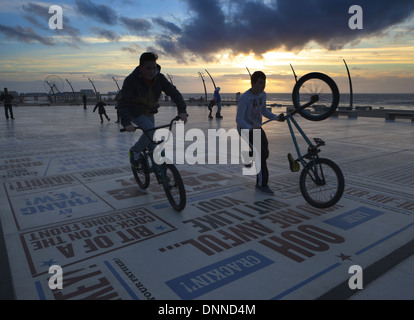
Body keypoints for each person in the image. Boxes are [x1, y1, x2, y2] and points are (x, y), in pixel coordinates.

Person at [117, 52, 187, 169]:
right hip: (135, 111)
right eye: (148, 68)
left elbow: (174, 93)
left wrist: (182, 111)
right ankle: (135, 151)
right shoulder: (131, 80)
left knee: (152, 144)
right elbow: (123, 102)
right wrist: (127, 123)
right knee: (151, 132)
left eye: (154, 68)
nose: (151, 71)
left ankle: (160, 174)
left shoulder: (159, 78)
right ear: (140, 68)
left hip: (150, 111)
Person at [236, 71, 283, 195]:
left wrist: (276, 117)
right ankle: (261, 184)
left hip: (258, 127)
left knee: (265, 150)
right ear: (253, 83)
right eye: (261, 83)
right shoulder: (245, 98)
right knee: (261, 155)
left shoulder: (263, 95)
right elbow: (239, 119)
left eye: (265, 83)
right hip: (246, 128)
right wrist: (249, 127)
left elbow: (264, 111)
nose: (263, 86)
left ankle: (249, 155)